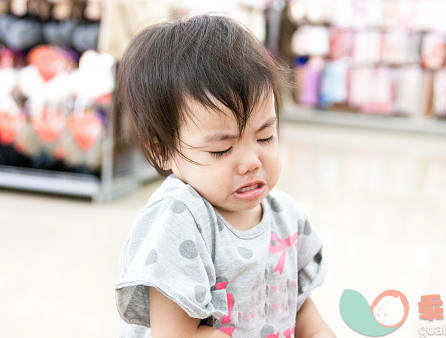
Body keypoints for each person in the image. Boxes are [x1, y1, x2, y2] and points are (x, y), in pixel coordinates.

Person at [114, 14, 334, 338]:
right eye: (221, 149)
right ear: (162, 150)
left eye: (265, 137)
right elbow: (177, 334)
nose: (251, 162)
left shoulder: (285, 217)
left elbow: (299, 310)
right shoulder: (178, 221)